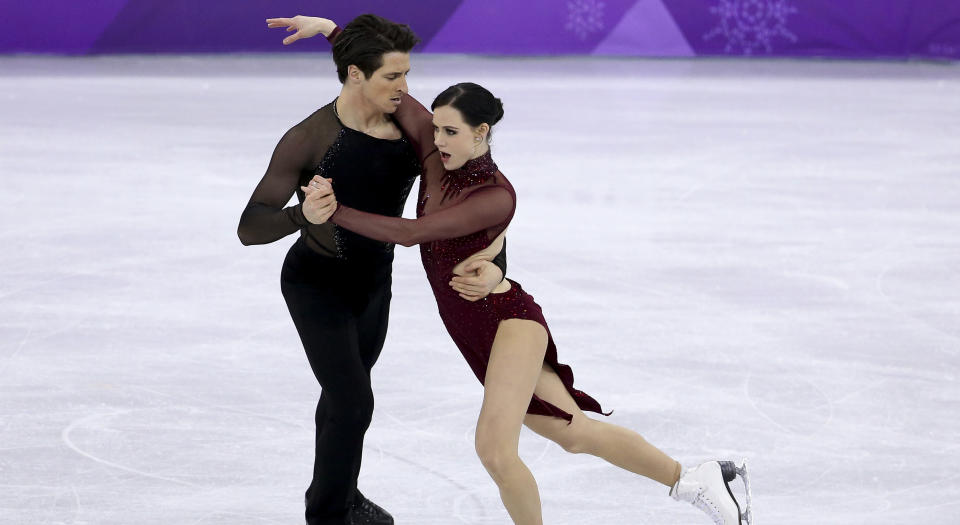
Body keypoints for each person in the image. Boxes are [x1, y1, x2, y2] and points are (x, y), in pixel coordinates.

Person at [302, 79, 753, 525]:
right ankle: (696, 479)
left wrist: (334, 211)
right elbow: (394, 91)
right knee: (574, 433)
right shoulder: (438, 158)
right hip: (476, 335)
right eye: (436, 129)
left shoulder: (495, 194)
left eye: (451, 132)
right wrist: (333, 32)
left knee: (495, 451)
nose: (438, 140)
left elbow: (412, 233)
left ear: (481, 132)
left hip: (507, 323)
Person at [238, 14, 510, 525]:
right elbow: (249, 226)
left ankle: (340, 495)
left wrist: (495, 264)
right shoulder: (310, 137)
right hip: (316, 281)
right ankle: (328, 515)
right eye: (393, 77)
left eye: (407, 75)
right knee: (353, 400)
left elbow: (480, 194)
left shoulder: (411, 128)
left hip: (373, 283)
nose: (406, 90)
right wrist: (302, 215)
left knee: (344, 398)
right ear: (356, 77)